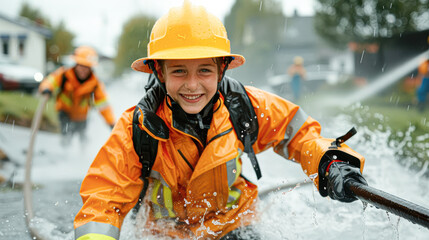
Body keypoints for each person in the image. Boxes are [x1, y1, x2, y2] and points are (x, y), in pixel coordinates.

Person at [73, 2, 367, 240]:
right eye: (178, 72)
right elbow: (104, 197)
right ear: (159, 73)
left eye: (204, 70)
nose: (192, 85)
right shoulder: (137, 127)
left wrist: (331, 161)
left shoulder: (244, 107)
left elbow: (298, 134)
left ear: (222, 69)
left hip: (233, 225)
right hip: (165, 234)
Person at [39, 46, 115, 145]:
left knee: (82, 138)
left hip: (82, 116)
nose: (83, 70)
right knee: (66, 135)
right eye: (81, 66)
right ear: (76, 64)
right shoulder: (64, 74)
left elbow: (103, 105)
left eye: (87, 67)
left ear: (91, 68)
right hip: (64, 111)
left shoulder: (95, 84)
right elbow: (49, 81)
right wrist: (46, 89)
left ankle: (83, 155)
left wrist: (111, 123)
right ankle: (63, 154)